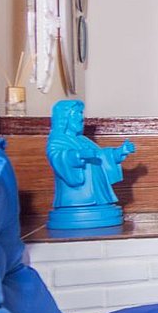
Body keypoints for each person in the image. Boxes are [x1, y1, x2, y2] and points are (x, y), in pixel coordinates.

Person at [46, 99, 135, 231]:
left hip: (97, 189)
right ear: (65, 118)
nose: (81, 118)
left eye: (81, 113)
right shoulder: (59, 140)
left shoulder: (83, 140)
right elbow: (57, 156)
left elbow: (101, 156)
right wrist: (78, 155)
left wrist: (118, 152)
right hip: (76, 196)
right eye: (77, 113)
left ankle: (99, 201)